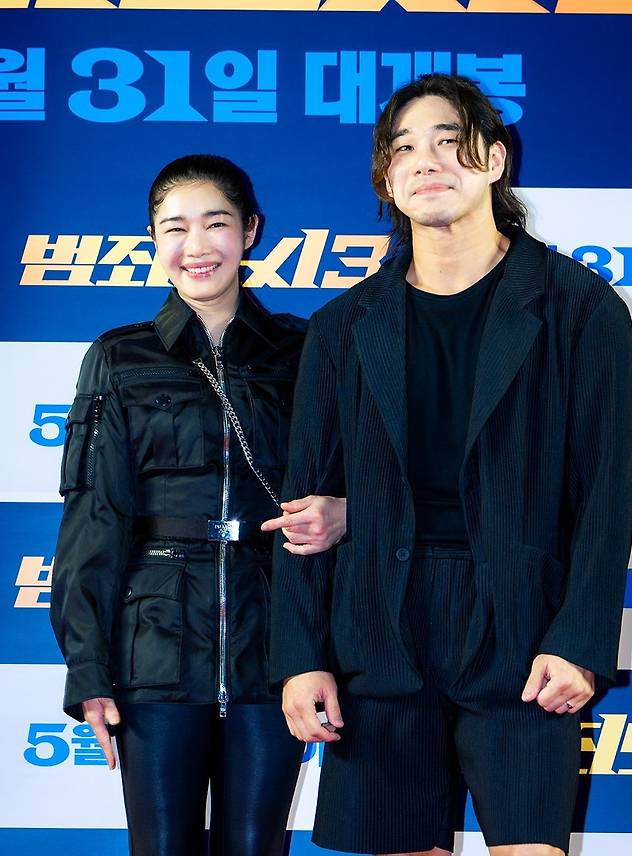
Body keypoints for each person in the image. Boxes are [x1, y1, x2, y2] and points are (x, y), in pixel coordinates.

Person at [268, 74, 632, 856]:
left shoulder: (581, 309)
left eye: (448, 140)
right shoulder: (342, 327)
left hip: (525, 631)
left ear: (495, 160)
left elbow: (606, 497)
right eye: (403, 148)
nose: (426, 160)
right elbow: (303, 511)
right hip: (379, 629)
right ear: (386, 179)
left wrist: (580, 640)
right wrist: (300, 659)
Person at [50, 154, 346, 856]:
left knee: (257, 846)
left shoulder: (307, 350)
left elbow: (357, 476)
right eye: (175, 228)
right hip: (152, 647)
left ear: (250, 232)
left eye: (215, 223)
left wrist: (346, 511)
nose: (196, 246)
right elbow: (93, 518)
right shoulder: (118, 357)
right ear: (153, 240)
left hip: (275, 643)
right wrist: (88, 668)